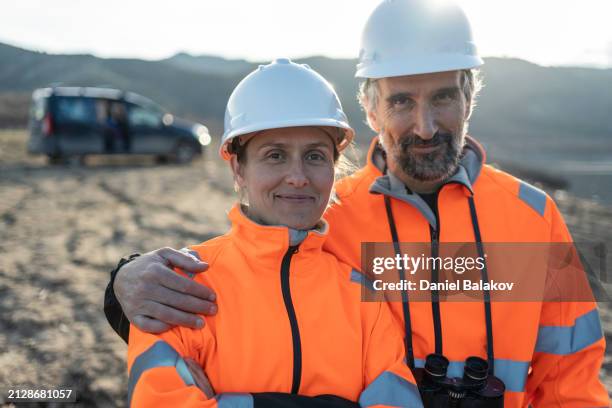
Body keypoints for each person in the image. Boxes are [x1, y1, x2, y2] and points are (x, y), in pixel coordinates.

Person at [105, 0, 609, 406]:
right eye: (400, 101)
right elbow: (248, 283)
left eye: (442, 97)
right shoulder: (325, 215)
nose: (425, 125)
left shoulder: (532, 216)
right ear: (369, 107)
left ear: (469, 98)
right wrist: (122, 284)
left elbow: (571, 382)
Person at [126, 59, 421, 407]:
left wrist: (236, 402)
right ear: (239, 168)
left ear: (333, 167)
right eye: (275, 155)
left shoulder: (362, 296)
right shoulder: (181, 286)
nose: (298, 176)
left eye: (314, 156)